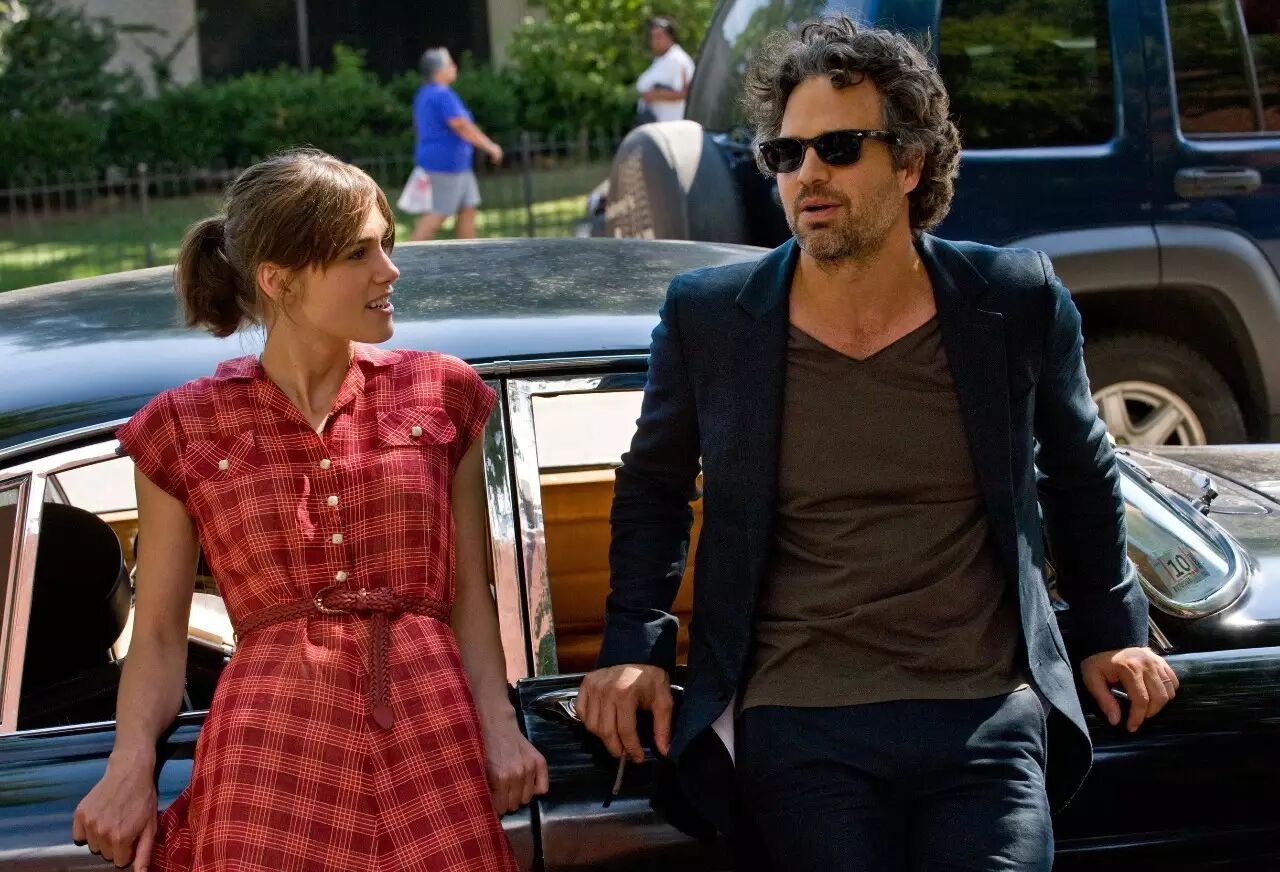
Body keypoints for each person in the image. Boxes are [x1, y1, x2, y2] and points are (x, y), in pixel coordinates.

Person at [577, 16, 1180, 872]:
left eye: (839, 147)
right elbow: (653, 489)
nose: (808, 175)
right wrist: (633, 653)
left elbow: (1080, 473)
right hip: (798, 719)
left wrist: (1109, 631)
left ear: (911, 162)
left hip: (985, 710)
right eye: (787, 154)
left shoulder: (1011, 301)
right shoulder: (712, 318)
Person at [72, 148, 546, 871]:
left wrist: (500, 724)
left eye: (386, 244)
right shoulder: (183, 427)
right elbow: (160, 635)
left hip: (432, 741)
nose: (389, 271)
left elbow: (469, 597)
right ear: (278, 279)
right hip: (271, 761)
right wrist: (129, 765)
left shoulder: (441, 393)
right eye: (359, 253)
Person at [405, 48, 504, 242]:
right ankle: (407, 255)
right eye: (450, 63)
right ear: (438, 70)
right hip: (446, 165)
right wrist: (490, 146)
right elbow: (461, 125)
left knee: (468, 208)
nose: (454, 67)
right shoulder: (442, 94)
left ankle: (468, 254)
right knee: (438, 213)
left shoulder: (424, 94)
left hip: (455, 164)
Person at [634, 16, 696, 125]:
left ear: (671, 37)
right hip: (657, 124)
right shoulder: (662, 58)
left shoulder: (677, 59)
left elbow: (687, 93)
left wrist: (656, 94)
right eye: (652, 37)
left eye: (659, 36)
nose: (655, 41)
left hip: (672, 125)